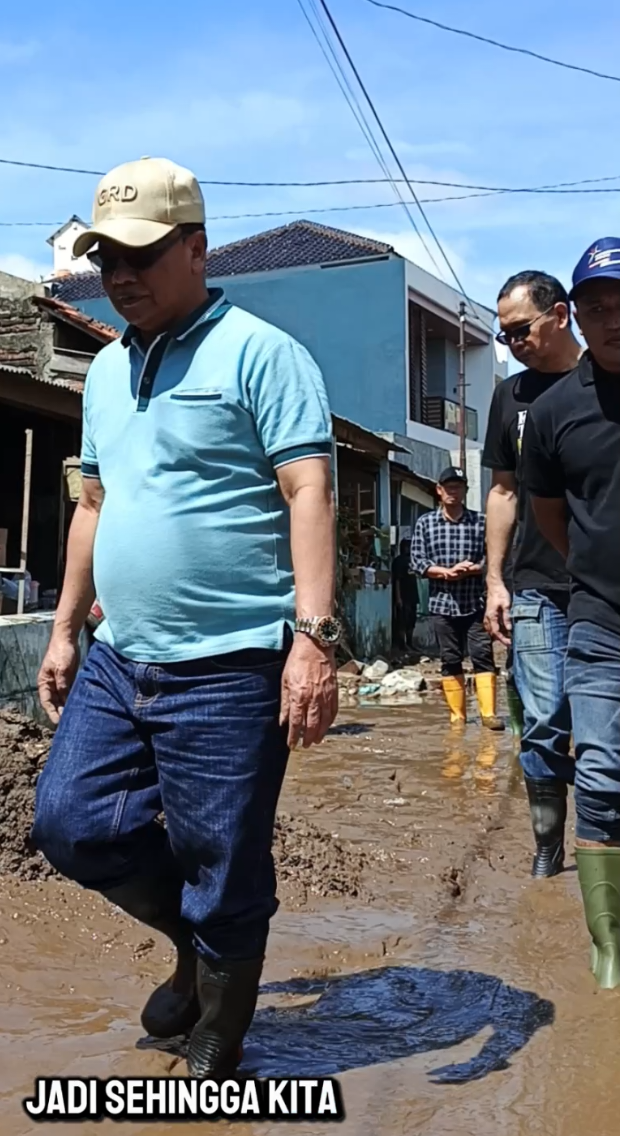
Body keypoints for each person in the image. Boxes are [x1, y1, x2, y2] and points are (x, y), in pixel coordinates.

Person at [30, 157, 341, 1076]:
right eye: (107, 259)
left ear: (197, 249)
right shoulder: (104, 370)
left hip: (232, 661)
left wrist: (313, 638)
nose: (120, 276)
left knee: (221, 853)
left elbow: (310, 490)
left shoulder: (261, 354)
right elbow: (92, 504)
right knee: (70, 822)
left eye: (142, 256)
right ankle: (198, 949)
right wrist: (64, 626)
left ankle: (218, 1036)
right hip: (121, 655)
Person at [524, 237, 620, 989]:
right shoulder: (555, 411)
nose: (612, 318)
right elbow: (549, 514)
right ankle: (608, 946)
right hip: (600, 619)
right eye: (597, 306)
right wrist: (593, 568)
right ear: (575, 316)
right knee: (603, 774)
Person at [483, 271, 581, 879]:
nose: (514, 343)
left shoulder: (603, 381)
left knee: (602, 724)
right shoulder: (510, 397)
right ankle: (548, 846)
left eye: (522, 330)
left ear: (560, 315)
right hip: (537, 584)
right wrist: (495, 580)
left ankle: (601, 842)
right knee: (544, 720)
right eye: (505, 336)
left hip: (602, 580)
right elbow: (502, 491)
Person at [410, 467, 503, 730]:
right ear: (439, 490)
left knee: (482, 655)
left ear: (465, 491)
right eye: (448, 487)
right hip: (442, 603)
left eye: (458, 487)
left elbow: (494, 556)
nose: (453, 491)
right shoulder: (426, 523)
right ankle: (457, 718)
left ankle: (488, 715)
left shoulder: (481, 521)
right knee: (450, 658)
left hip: (475, 602)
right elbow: (417, 562)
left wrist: (476, 568)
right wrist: (445, 572)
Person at [391, 538, 418, 653]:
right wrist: (398, 598)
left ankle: (410, 643)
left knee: (411, 620)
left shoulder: (412, 561)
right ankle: (402, 644)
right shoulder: (399, 561)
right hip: (403, 596)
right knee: (402, 620)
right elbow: (397, 580)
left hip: (413, 596)